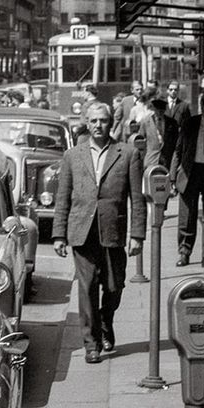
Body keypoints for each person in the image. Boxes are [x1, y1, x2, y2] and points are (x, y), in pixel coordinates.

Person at [53, 101, 145, 364]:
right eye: (93, 121)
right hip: (82, 231)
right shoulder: (73, 155)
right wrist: (59, 234)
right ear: (86, 121)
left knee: (115, 286)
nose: (98, 126)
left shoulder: (127, 154)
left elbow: (137, 199)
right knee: (87, 287)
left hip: (113, 231)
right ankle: (91, 344)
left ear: (110, 122)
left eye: (103, 121)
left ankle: (106, 320)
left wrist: (137, 235)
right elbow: (63, 198)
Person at [171, 92, 204, 265]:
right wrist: (172, 178)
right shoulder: (190, 124)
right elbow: (178, 151)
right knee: (187, 215)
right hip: (189, 172)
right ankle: (184, 252)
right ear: (202, 107)